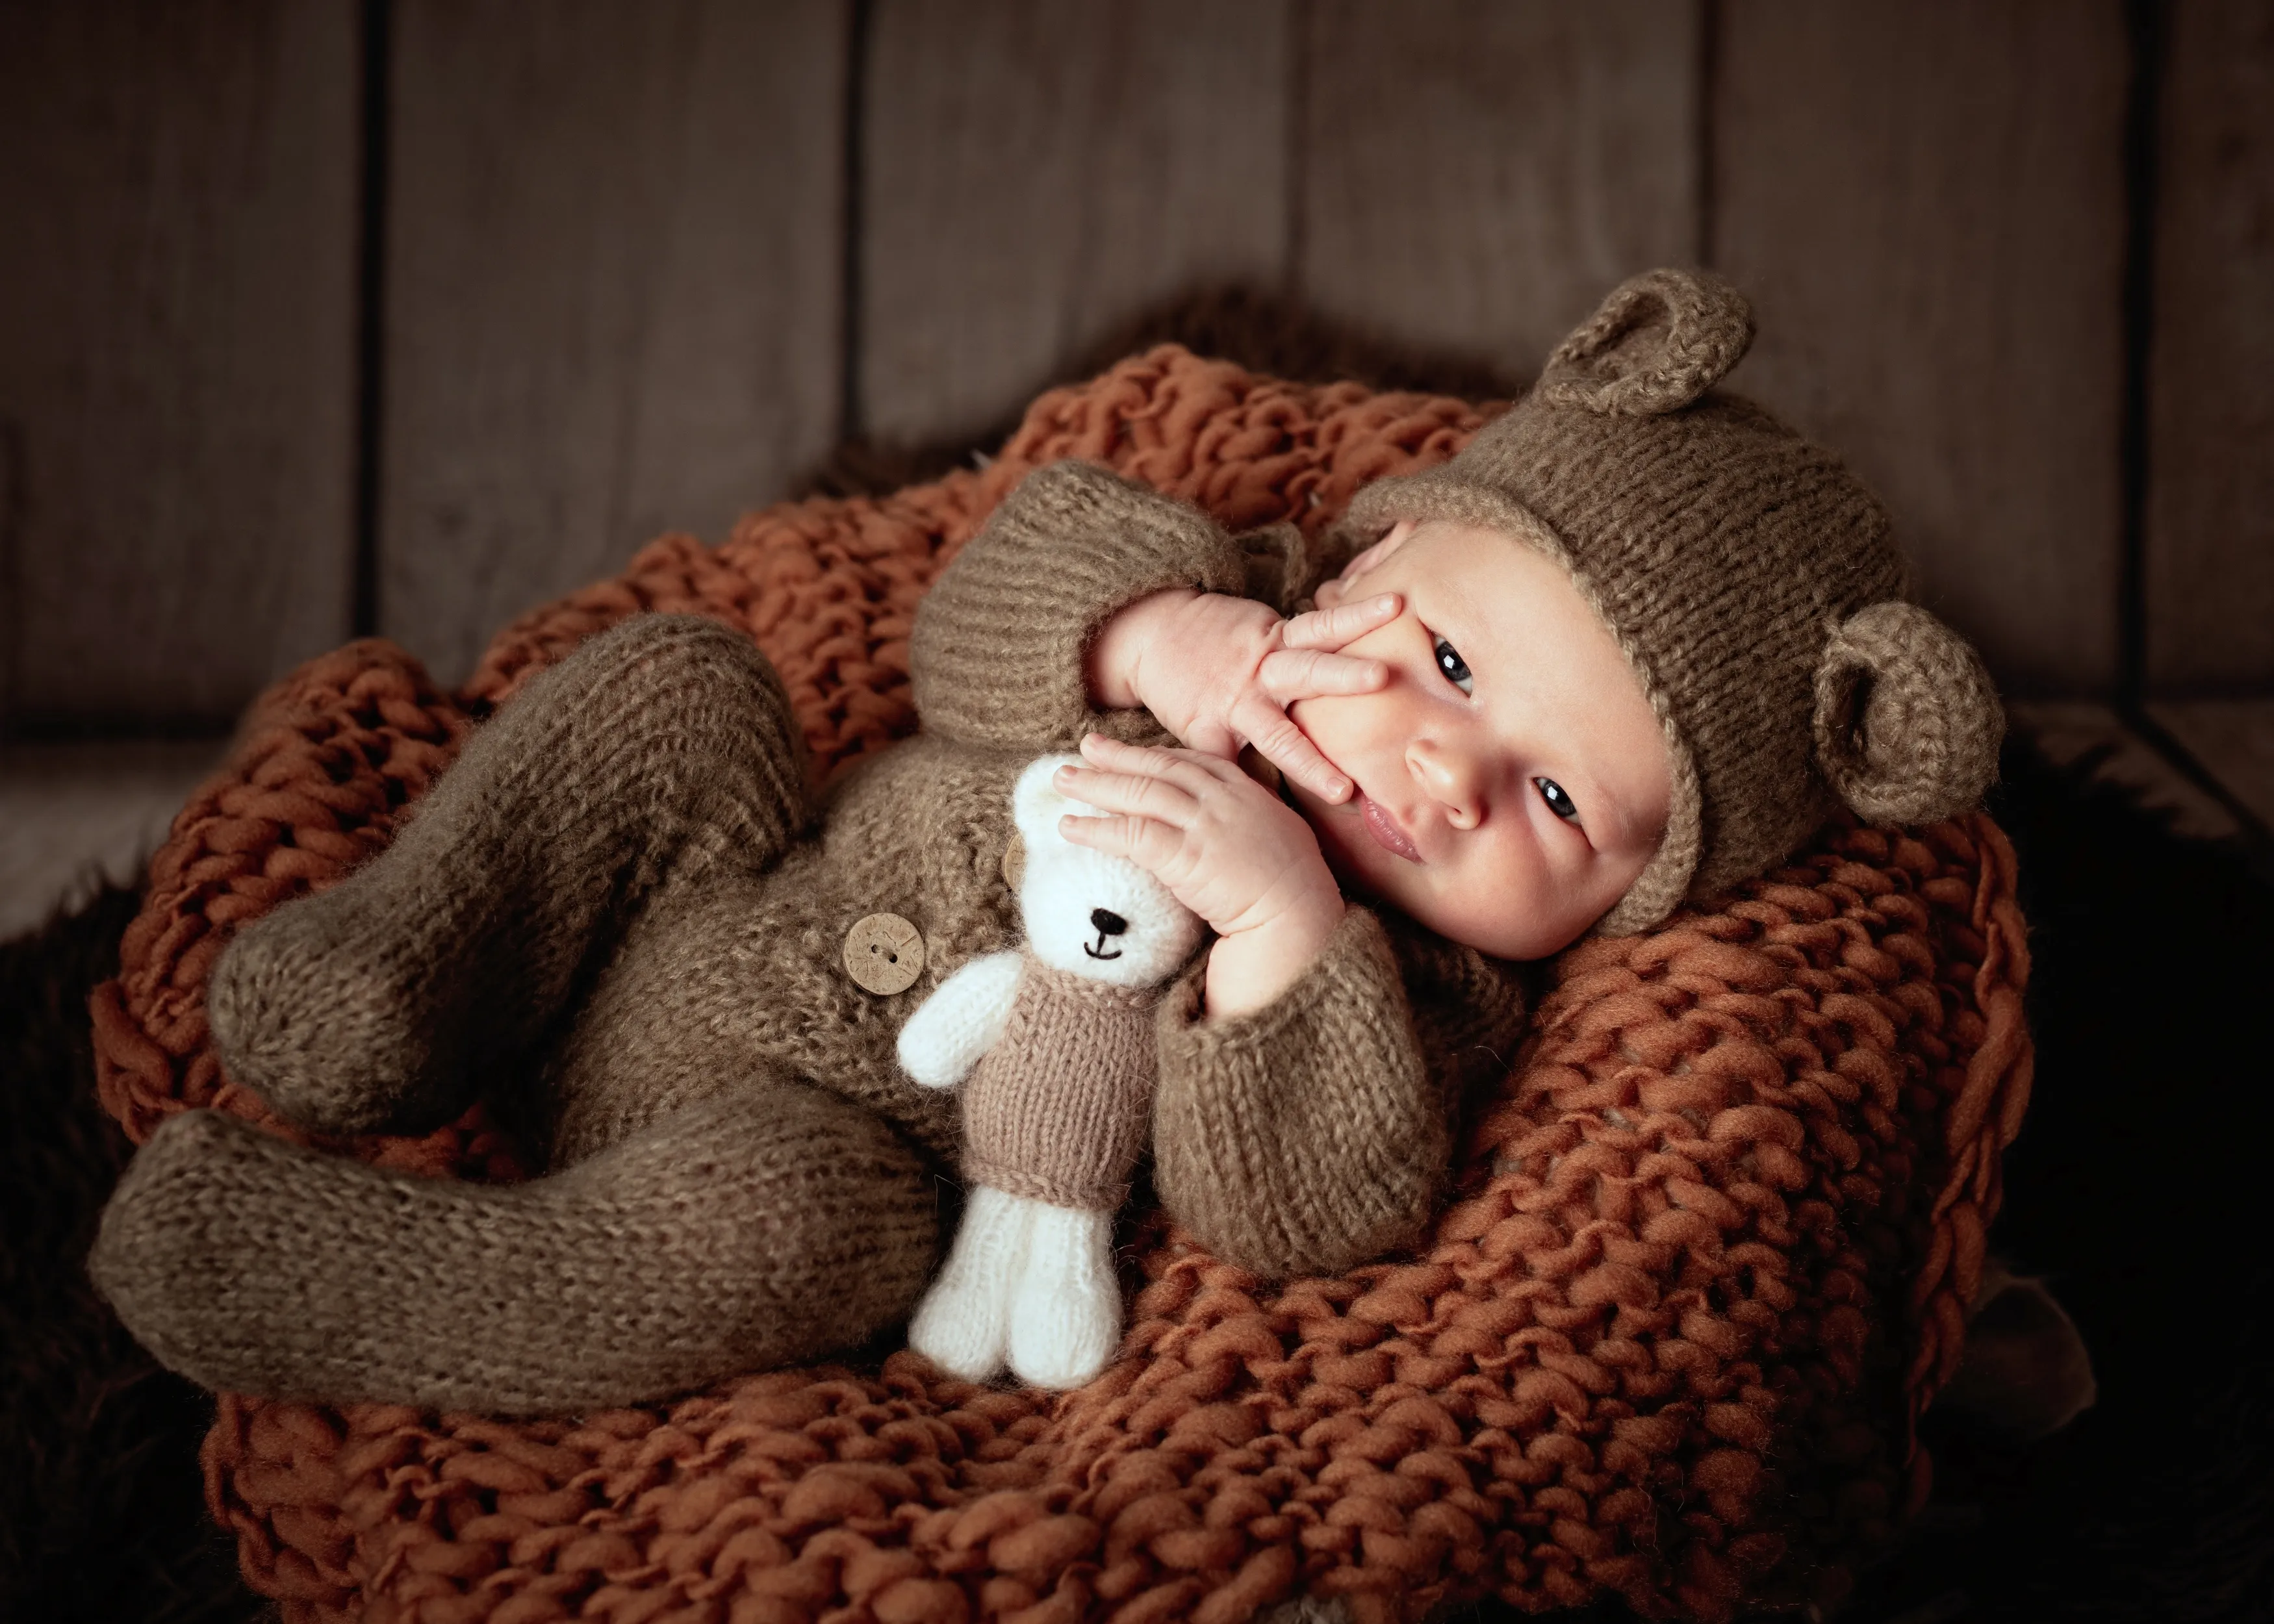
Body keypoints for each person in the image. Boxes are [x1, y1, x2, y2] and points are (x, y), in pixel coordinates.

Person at [90, 268, 2003, 1416]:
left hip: (812, 1124)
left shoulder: (1414, 991)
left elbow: (1307, 1207)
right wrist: (1161, 636)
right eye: (1436, 658)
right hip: (707, 883)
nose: (1440, 772)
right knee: (679, 684)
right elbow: (963, 617)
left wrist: (1278, 930)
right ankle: (400, 971)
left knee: (815, 1233)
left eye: (1560, 805)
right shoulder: (1218, 610)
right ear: (1374, 550)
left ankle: (368, 1273)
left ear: (1621, 904)